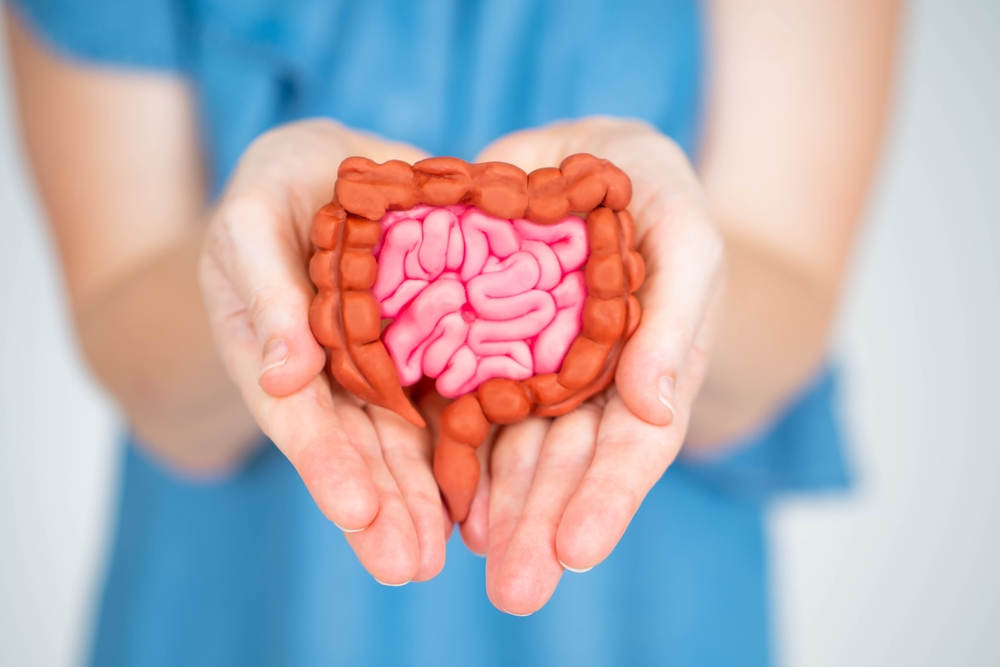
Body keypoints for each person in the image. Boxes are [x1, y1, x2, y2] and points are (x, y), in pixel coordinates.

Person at [5, 0, 899, 664]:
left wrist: (662, 295)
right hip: (240, 597)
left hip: (644, 602)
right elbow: (131, 345)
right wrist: (259, 273)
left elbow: (791, 313)